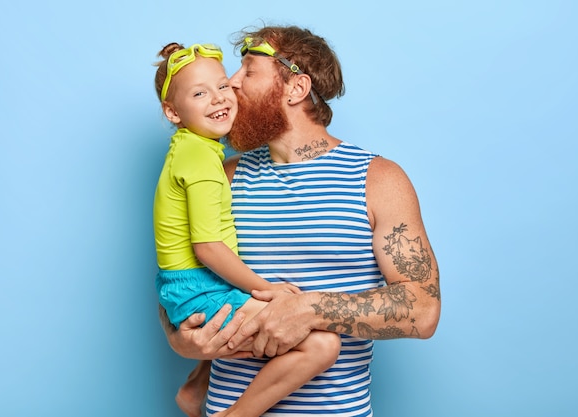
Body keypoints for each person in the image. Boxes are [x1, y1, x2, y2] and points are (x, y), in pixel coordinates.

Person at [161, 25, 442, 416]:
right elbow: (182, 274)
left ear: (296, 88)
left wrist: (309, 309)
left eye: (248, 71)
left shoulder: (378, 179)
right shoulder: (223, 175)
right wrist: (181, 341)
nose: (232, 82)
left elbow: (422, 310)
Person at [152, 42, 341, 417]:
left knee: (244, 312)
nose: (230, 90)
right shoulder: (207, 162)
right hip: (196, 285)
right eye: (200, 93)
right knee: (322, 346)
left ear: (298, 88)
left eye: (228, 82)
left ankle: (195, 387)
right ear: (172, 111)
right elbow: (206, 247)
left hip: (191, 284)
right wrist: (266, 288)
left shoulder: (194, 148)